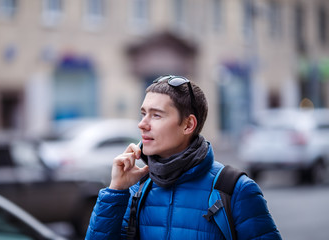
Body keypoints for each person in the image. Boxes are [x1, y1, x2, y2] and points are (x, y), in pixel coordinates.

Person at [85, 75, 282, 240]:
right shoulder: (136, 188)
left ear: (188, 125)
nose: (142, 124)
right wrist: (116, 190)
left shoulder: (235, 190)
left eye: (156, 115)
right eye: (143, 114)